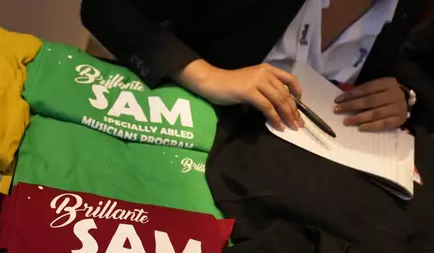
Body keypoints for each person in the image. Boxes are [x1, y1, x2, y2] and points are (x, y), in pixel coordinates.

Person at [81, 0, 426, 132]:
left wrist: (404, 96)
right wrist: (210, 76)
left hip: (310, 169)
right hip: (202, 127)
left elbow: (402, 64)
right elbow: (107, 8)